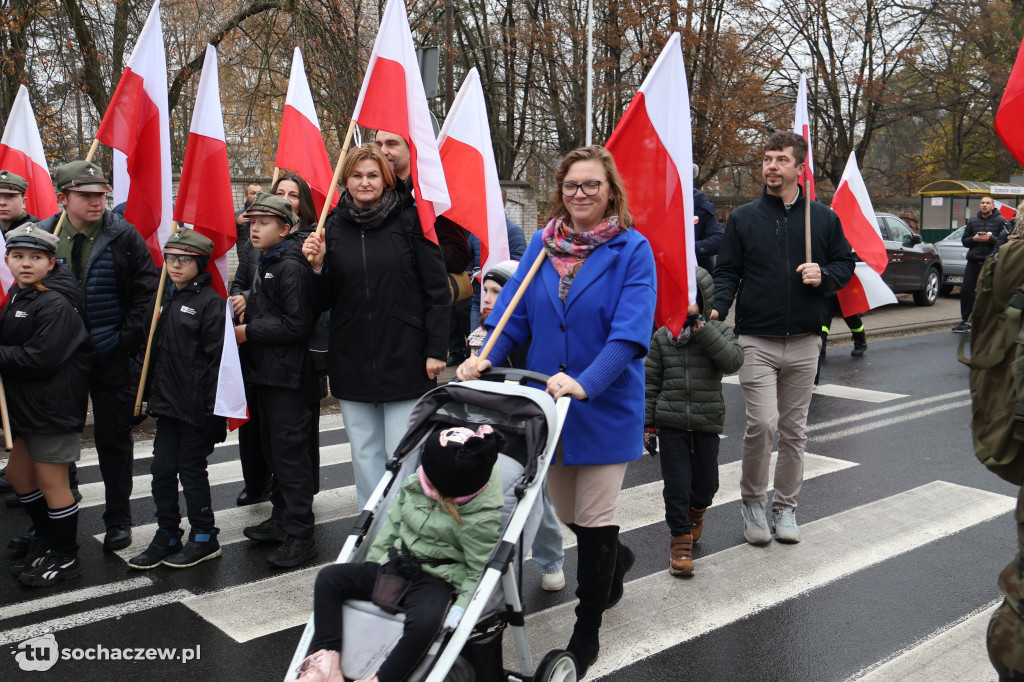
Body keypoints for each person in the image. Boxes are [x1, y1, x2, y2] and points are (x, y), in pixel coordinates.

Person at [457, 144, 657, 676]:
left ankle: (586, 631)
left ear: (610, 191)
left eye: (592, 185)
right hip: (548, 404)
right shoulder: (543, 246)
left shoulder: (632, 249)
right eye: (572, 185)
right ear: (560, 191)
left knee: (593, 518)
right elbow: (513, 317)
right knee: (569, 514)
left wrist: (586, 383)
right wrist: (484, 356)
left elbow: (629, 334)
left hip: (603, 402)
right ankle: (614, 558)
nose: (581, 194)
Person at [711, 131, 854, 546]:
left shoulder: (822, 218)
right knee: (762, 424)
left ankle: (786, 506)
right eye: (767, 159)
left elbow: (846, 264)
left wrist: (824, 275)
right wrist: (717, 308)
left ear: (799, 168)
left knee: (794, 431)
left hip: (806, 340)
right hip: (757, 339)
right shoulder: (744, 218)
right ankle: (753, 502)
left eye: (781, 160)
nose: (771, 166)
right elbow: (728, 271)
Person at [302, 144, 450, 509]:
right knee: (363, 451)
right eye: (357, 175)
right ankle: (371, 524)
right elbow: (322, 300)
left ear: (386, 180)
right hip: (351, 355)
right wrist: (317, 267)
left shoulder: (412, 220)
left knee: (402, 450)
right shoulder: (332, 225)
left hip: (406, 355)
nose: (364, 182)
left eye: (372, 175)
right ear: (345, 180)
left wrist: (435, 350)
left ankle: (405, 524)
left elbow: (437, 290)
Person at [296, 425, 504, 682]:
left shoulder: (480, 520)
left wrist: (461, 606)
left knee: (426, 623)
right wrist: (376, 562)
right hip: (396, 562)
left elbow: (477, 569)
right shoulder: (418, 482)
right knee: (329, 578)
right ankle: (328, 659)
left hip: (437, 578)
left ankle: (382, 677)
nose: (423, 477)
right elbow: (393, 524)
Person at [39, 161, 159, 552]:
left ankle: (118, 520)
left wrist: (124, 341)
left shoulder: (124, 235)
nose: (96, 202)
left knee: (114, 440)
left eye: (101, 194)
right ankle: (57, 516)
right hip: (60, 361)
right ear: (62, 198)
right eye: (86, 195)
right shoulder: (42, 235)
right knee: (58, 442)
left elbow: (146, 293)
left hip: (110, 356)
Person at [128, 228, 226, 570]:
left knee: (191, 469)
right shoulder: (162, 298)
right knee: (162, 469)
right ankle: (168, 533)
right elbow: (148, 351)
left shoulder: (210, 303)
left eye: (185, 259)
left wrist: (212, 412)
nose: (175, 265)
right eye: (170, 258)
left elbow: (217, 362)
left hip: (196, 407)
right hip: (167, 404)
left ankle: (204, 535)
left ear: (200, 264)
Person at [466, 259, 566, 592]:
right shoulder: (480, 334)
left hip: (529, 418)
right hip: (491, 420)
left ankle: (551, 559)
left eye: (498, 291)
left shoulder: (530, 331)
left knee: (535, 495)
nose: (488, 298)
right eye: (485, 290)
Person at [1, 225, 93, 586]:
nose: (26, 263)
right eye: (18, 256)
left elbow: (40, 357)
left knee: (52, 482)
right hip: (26, 407)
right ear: (7, 259)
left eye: (36, 257)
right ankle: (46, 538)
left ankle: (66, 555)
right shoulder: (19, 294)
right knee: (18, 476)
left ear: (51, 263)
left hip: (52, 407)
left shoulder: (56, 302)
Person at [236, 192, 319, 569]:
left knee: (290, 456)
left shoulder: (290, 265)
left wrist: (249, 332)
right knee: (273, 452)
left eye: (264, 223)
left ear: (285, 229)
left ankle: (301, 535)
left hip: (287, 377)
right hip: (266, 375)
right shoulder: (264, 259)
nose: (254, 229)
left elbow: (297, 324)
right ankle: (281, 518)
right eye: (252, 222)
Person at [644, 267, 744, 576]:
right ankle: (680, 541)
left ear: (703, 299)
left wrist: (702, 327)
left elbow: (732, 361)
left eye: (692, 297)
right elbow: (650, 383)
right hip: (670, 421)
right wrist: (648, 425)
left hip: (705, 419)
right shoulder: (662, 336)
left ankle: (697, 511)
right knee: (676, 486)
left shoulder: (718, 331)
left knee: (706, 485)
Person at [954, 195, 1010, 333]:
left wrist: (989, 239)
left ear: (993, 206)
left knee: (989, 293)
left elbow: (1006, 242)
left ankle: (989, 322)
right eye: (982, 203)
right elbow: (965, 241)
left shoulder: (1001, 221)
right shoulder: (973, 221)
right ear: (980, 205)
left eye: (987, 203)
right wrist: (974, 239)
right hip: (974, 260)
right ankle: (966, 321)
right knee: (966, 290)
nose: (984, 205)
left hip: (991, 262)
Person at [692, 164, 724, 274]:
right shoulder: (652, 203)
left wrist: (689, 250)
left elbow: (719, 238)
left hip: (696, 277)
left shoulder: (699, 204)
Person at [235, 182, 262, 262]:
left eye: (259, 193)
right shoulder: (239, 215)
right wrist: (237, 223)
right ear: (246, 196)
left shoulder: (269, 214)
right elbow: (230, 235)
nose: (256, 196)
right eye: (253, 193)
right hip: (244, 253)